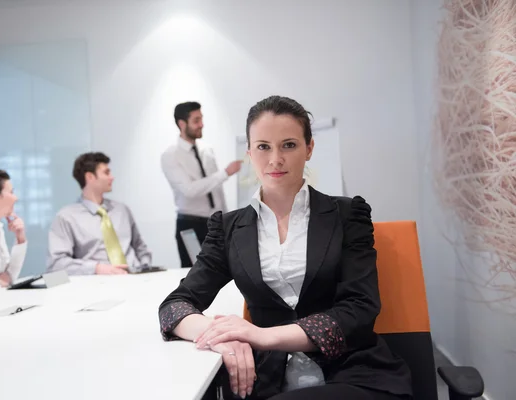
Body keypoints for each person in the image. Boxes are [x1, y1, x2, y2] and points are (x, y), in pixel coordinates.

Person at [158, 96, 413, 399]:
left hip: (353, 373)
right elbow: (174, 307)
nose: (275, 159)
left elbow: (359, 309)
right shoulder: (228, 229)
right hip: (268, 381)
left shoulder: (347, 215)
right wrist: (221, 336)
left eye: (289, 145)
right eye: (264, 146)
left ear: (309, 149)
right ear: (250, 153)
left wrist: (261, 337)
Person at [161, 101, 243, 268]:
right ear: (182, 124)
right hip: (191, 225)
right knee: (196, 276)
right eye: (196, 120)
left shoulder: (207, 149)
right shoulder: (170, 156)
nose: (201, 124)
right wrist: (225, 173)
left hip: (215, 224)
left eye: (201, 119)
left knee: (224, 271)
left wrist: (225, 221)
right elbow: (189, 190)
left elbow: (216, 190)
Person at [46, 152, 151, 275]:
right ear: (90, 177)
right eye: (106, 172)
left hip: (136, 280)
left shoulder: (122, 210)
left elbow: (140, 247)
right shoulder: (66, 217)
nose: (112, 177)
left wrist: (145, 267)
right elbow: (56, 265)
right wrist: (97, 268)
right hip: (97, 286)